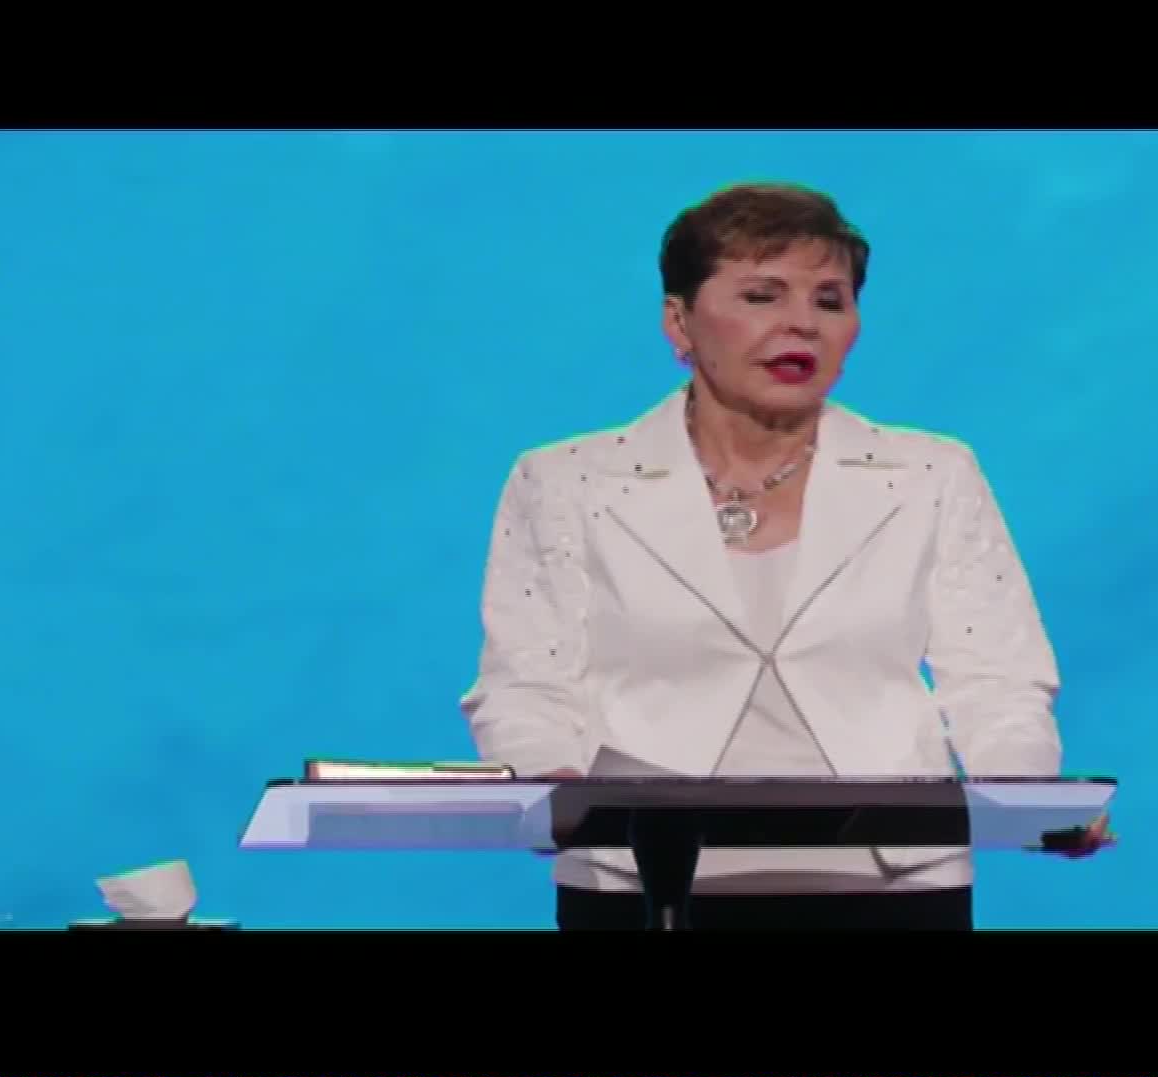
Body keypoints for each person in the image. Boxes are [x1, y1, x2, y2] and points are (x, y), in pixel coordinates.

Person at [460, 180, 1112, 931]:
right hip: (638, 876)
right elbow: (526, 685)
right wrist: (557, 792)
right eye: (762, 296)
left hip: (894, 879)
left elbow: (999, 679)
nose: (801, 323)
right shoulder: (564, 481)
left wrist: (1029, 800)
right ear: (680, 321)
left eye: (829, 300)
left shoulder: (933, 474)